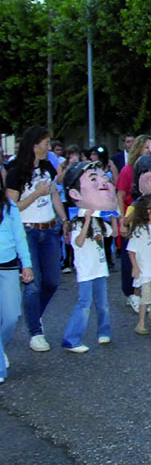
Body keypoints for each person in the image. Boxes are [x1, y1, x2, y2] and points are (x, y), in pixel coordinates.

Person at [5, 126, 69, 353]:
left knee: (52, 281)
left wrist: (64, 220)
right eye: (45, 143)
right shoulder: (15, 172)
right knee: (33, 284)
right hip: (27, 231)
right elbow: (12, 208)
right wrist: (35, 194)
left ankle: (34, 316)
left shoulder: (47, 167)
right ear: (34, 145)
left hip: (50, 229)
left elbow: (53, 195)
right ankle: (35, 332)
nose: (48, 147)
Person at [60, 162, 117, 353]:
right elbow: (79, 242)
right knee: (84, 304)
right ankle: (71, 339)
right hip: (86, 271)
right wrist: (86, 221)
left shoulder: (100, 222)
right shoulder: (77, 222)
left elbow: (114, 234)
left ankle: (104, 331)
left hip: (100, 269)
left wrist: (114, 215)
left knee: (103, 304)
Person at [115, 134, 151, 314]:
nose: (149, 151)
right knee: (130, 256)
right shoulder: (128, 170)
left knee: (149, 254)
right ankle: (131, 293)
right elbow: (120, 195)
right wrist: (122, 221)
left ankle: (147, 291)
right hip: (132, 216)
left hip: (149, 217)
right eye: (146, 148)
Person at [1, 190, 34, 383]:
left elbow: (20, 237)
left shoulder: (9, 206)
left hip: (9, 266)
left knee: (12, 316)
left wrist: (27, 264)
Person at [124, 193, 151, 335]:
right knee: (145, 296)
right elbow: (131, 250)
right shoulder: (140, 230)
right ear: (149, 211)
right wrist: (135, 267)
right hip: (145, 270)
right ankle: (140, 323)